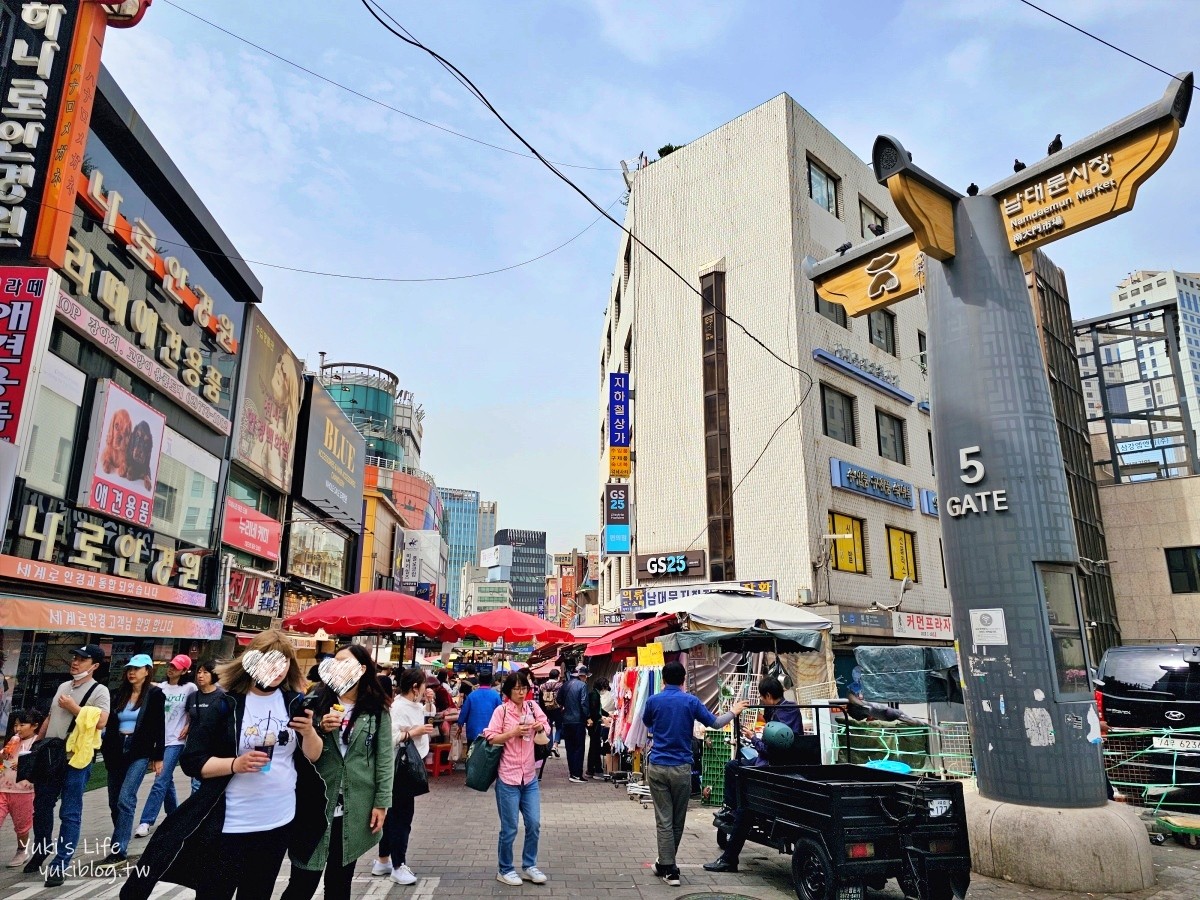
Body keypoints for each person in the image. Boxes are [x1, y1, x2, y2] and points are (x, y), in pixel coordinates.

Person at [120, 630, 325, 900]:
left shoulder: (294, 702)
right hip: (231, 823)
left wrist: (310, 732)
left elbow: (313, 756)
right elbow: (193, 761)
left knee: (257, 893)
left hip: (279, 821)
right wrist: (235, 764)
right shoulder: (226, 704)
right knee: (214, 893)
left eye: (284, 662)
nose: (278, 669)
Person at [281, 643, 393, 900]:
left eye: (345, 662)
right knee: (303, 881)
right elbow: (300, 751)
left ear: (362, 669)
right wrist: (318, 728)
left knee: (340, 882)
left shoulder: (376, 710)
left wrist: (381, 803)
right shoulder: (313, 701)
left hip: (355, 805)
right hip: (315, 804)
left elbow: (384, 760)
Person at [642, 660, 748, 887]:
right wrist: (734, 711)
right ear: (683, 681)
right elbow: (717, 723)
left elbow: (646, 722)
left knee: (664, 819)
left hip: (657, 766)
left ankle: (667, 866)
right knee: (677, 820)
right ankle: (669, 867)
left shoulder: (653, 701)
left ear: (663, 679)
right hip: (681, 769)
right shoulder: (690, 701)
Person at [29, 644, 111, 887]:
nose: (75, 662)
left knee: (70, 812)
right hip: (51, 755)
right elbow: (51, 716)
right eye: (75, 658)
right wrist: (36, 743)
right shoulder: (64, 686)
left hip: (77, 758)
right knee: (42, 806)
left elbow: (101, 722)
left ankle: (60, 863)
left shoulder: (100, 691)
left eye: (82, 660)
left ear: (94, 666)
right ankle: (42, 849)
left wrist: (74, 708)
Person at [704, 676, 805, 873]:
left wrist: (753, 738)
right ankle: (731, 807)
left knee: (746, 808)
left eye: (761, 696)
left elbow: (770, 749)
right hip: (782, 760)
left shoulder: (781, 714)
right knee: (733, 765)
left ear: (768, 695)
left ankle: (729, 857)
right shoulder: (788, 708)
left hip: (771, 766)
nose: (761, 700)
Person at [99, 655, 166, 868]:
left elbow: (159, 726)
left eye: (137, 669)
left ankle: (119, 849)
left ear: (147, 671)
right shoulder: (118, 694)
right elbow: (110, 724)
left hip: (139, 751)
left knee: (126, 798)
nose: (132, 672)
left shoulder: (155, 695)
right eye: (129, 668)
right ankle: (122, 833)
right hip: (116, 750)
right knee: (114, 800)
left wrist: (158, 756)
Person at [484, 671, 550, 886]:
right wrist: (512, 733)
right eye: (517, 689)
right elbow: (491, 737)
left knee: (534, 823)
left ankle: (529, 865)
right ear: (508, 691)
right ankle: (505, 869)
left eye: (524, 688)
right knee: (510, 827)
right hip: (507, 777)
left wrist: (540, 726)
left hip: (529, 777)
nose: (522, 693)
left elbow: (546, 725)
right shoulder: (501, 711)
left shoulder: (532, 707)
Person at [373, 667, 435, 886]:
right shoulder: (397, 707)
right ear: (415, 686)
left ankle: (383, 861)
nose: (426, 689)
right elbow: (388, 738)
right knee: (402, 819)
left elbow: (428, 715)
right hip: (400, 770)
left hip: (408, 767)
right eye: (424, 685)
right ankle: (398, 865)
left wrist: (428, 702)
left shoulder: (415, 705)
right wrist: (412, 732)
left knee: (393, 818)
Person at [135, 654, 196, 838]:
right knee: (166, 780)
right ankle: (174, 815)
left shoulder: (189, 688)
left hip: (176, 740)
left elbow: (195, 710)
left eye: (176, 667)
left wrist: (188, 725)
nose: (171, 669)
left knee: (160, 780)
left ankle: (146, 820)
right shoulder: (160, 688)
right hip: (160, 740)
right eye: (171, 666)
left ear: (184, 671)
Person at [1, 708, 41, 867]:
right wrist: (4, 754)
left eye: (22, 725)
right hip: (3, 788)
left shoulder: (38, 742)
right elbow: (3, 762)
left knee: (22, 825)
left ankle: (22, 850)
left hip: (24, 791)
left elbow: (38, 765)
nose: (17, 729)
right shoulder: (12, 741)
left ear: (34, 725)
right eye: (15, 725)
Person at [184, 659, 225, 796]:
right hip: (195, 746)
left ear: (213, 675)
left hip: (213, 747)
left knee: (203, 786)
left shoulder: (222, 697)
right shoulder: (192, 696)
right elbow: (190, 716)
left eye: (205, 672)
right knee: (196, 784)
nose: (200, 675)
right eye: (199, 672)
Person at [559, 666, 590, 783]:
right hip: (578, 721)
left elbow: (558, 699)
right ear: (582, 676)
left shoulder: (565, 685)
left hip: (566, 720)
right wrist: (587, 717)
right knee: (579, 747)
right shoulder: (582, 686)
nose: (586, 679)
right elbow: (584, 703)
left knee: (570, 747)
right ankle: (577, 774)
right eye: (586, 676)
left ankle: (572, 773)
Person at [458, 669, 503, 744]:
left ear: (479, 681)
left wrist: (460, 725)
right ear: (491, 681)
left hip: (473, 733)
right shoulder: (496, 696)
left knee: (472, 754)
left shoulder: (472, 695)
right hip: (491, 734)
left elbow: (464, 713)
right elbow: (501, 715)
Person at [537, 669, 562, 756]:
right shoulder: (560, 685)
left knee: (548, 728)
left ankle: (548, 749)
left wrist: (542, 710)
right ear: (557, 676)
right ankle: (555, 745)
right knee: (559, 727)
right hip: (557, 709)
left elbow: (540, 699)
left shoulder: (542, 686)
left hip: (546, 710)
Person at [586, 675, 606, 778]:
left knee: (594, 746)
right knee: (595, 746)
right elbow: (595, 710)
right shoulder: (594, 695)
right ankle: (596, 769)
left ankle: (592, 769)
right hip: (594, 724)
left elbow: (598, 709)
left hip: (594, 723)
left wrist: (607, 715)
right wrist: (601, 717)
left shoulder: (595, 694)